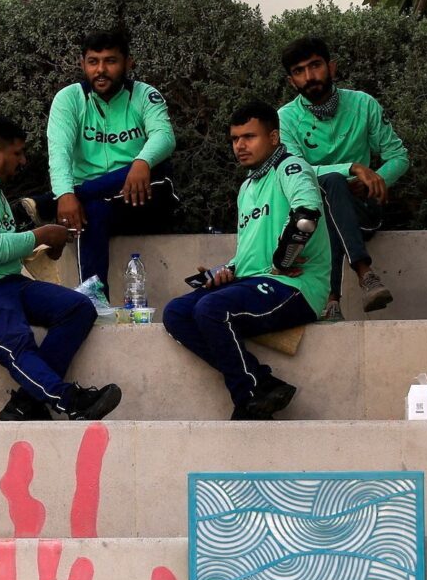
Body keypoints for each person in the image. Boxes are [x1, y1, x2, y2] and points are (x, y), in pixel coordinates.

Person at [0, 114, 123, 422]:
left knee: (78, 308)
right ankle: (70, 400)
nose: (23, 160)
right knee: (18, 341)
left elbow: (3, 247)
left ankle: (24, 406)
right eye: (17, 153)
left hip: (6, 281)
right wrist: (41, 235)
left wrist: (46, 246)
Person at [161, 101, 329, 420]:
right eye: (235, 138)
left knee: (211, 308)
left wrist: (283, 259)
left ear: (274, 137)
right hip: (257, 281)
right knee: (176, 312)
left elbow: (306, 217)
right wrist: (226, 272)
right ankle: (262, 384)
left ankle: (250, 396)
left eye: (249, 136)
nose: (240, 145)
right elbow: (250, 253)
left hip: (295, 286)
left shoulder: (291, 168)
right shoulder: (246, 187)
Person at [277, 35, 409, 315]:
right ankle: (365, 275)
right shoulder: (285, 119)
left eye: (315, 66)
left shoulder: (363, 104)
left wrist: (376, 179)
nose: (309, 76)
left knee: (330, 196)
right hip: (312, 219)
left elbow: (399, 156)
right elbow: (294, 170)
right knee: (330, 188)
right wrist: (351, 168)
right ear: (292, 81)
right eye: (299, 71)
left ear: (332, 67)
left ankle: (331, 299)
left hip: (363, 212)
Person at [46, 25, 176, 301]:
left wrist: (141, 161)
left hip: (140, 197)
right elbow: (59, 152)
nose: (101, 70)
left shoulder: (144, 94)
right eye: (93, 62)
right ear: (83, 64)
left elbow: (164, 137)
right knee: (93, 209)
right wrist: (67, 194)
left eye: (110, 61)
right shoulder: (69, 99)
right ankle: (94, 300)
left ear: (128, 63)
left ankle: (46, 202)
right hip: (98, 208)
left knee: (157, 169)